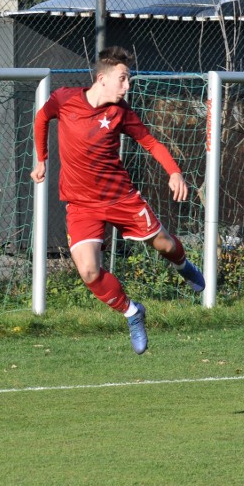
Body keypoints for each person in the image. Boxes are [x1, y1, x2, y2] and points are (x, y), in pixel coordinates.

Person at [31, 46, 204, 355]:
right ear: (102, 79)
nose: (128, 86)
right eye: (123, 79)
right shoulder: (65, 99)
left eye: (129, 79)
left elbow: (150, 142)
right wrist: (41, 159)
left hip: (121, 199)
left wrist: (175, 172)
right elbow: (42, 118)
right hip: (82, 205)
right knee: (89, 272)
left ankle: (183, 265)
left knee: (164, 245)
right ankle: (132, 312)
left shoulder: (121, 112)